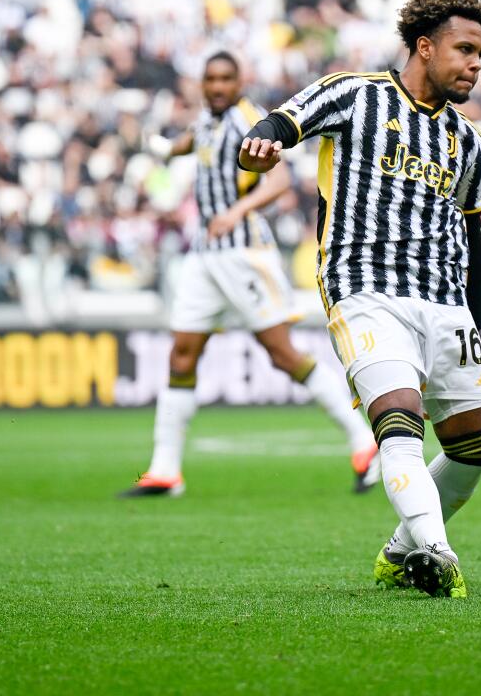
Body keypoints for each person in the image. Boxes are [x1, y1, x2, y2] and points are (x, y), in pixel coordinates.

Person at [238, 0, 481, 599]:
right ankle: (439, 553)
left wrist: (474, 319)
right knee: (400, 424)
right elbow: (279, 122)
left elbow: (472, 235)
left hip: (444, 301)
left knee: (474, 447)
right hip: (364, 289)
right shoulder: (355, 94)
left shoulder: (470, 143)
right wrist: (262, 144)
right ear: (425, 47)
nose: (476, 64)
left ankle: (400, 552)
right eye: (464, 50)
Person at [119, 52, 379, 498]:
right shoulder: (208, 120)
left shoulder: (247, 120)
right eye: (211, 78)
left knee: (281, 354)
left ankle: (363, 442)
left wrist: (236, 210)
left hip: (244, 253)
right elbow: (191, 142)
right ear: (202, 83)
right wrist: (160, 146)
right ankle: (165, 470)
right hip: (204, 255)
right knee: (181, 353)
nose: (218, 86)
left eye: (226, 79)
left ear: (240, 81)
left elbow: (278, 182)